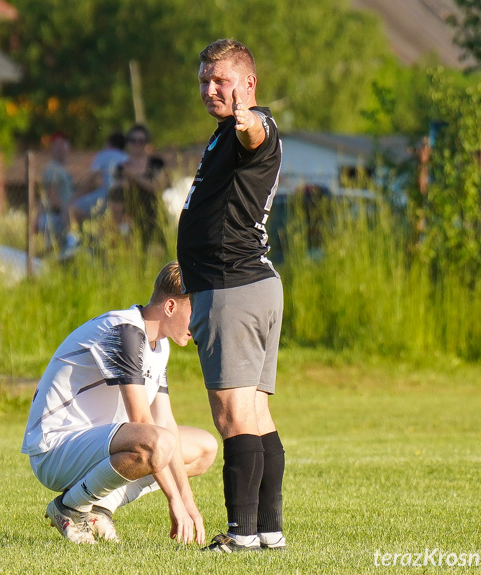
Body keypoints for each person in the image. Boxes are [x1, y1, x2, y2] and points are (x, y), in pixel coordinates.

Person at [176, 38, 287, 553]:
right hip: (253, 285)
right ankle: (268, 530)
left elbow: (257, 134)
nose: (210, 89)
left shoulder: (251, 125)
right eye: (204, 80)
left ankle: (242, 534)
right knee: (256, 416)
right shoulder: (223, 133)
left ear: (248, 83)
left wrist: (247, 120)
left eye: (220, 80)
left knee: (232, 417)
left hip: (232, 287)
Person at [21, 261, 217, 545]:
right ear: (171, 307)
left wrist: (188, 502)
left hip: (95, 445)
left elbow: (165, 422)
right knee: (156, 444)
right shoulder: (126, 332)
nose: (201, 322)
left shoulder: (158, 344)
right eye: (196, 311)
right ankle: (70, 506)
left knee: (204, 449)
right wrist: (172, 500)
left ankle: (99, 509)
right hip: (55, 449)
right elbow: (143, 423)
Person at [108, 124, 169, 249]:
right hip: (129, 216)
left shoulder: (156, 164)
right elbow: (115, 194)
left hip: (153, 215)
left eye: (141, 141)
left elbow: (158, 187)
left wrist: (134, 178)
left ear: (146, 143)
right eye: (133, 140)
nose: (137, 144)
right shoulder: (121, 168)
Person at [38, 131, 74, 249]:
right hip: (54, 217)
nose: (61, 149)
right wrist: (67, 211)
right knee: (55, 250)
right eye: (57, 146)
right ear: (52, 148)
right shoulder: (52, 169)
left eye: (63, 145)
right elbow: (51, 195)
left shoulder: (62, 169)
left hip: (61, 217)